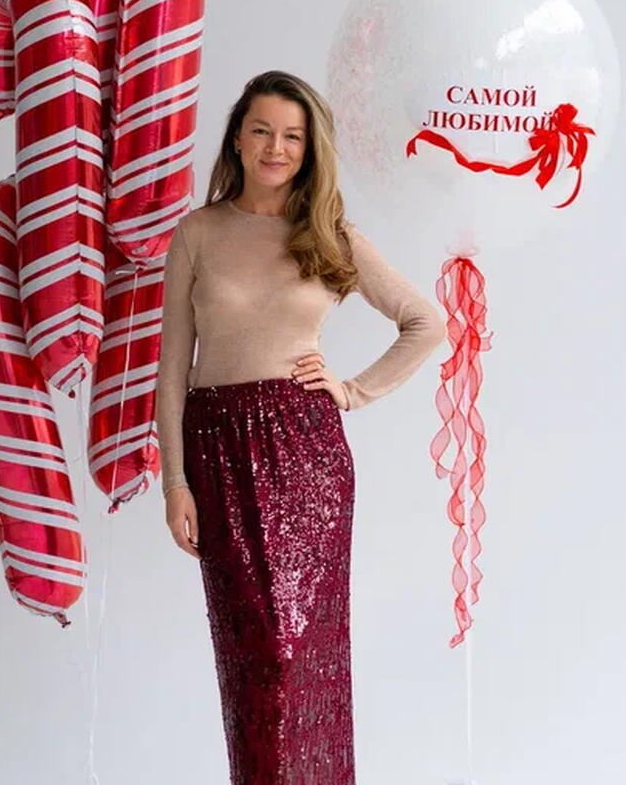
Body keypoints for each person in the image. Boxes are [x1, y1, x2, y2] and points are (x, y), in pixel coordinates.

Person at [155, 70, 447, 784]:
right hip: (217, 448)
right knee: (252, 660)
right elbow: (171, 369)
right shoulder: (198, 233)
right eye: (262, 130)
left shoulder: (329, 232)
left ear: (310, 148)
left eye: (292, 136)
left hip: (305, 452)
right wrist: (174, 482)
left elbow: (426, 322)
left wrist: (352, 391)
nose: (276, 148)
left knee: (298, 657)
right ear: (237, 137)